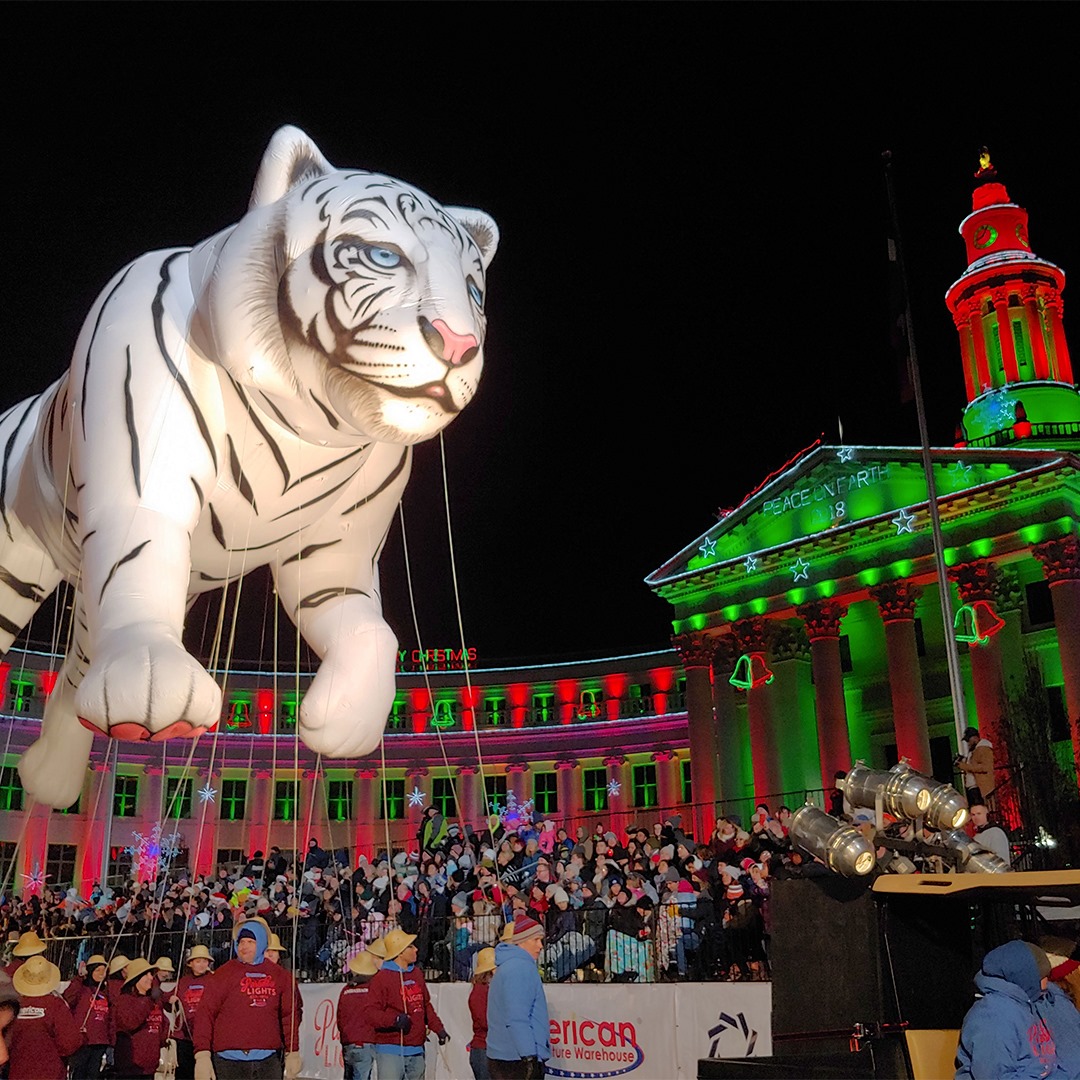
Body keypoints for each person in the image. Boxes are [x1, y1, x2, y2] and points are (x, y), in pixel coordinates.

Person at [193, 921, 302, 1080]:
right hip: (228, 1061)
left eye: (251, 942)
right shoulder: (223, 974)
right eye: (241, 942)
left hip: (267, 1060)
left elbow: (290, 1015)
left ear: (262, 942)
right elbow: (205, 1014)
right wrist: (202, 1055)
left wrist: (292, 1051)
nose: (245, 946)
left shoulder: (281, 976)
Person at [955, 940, 1066, 1079]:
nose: (1047, 982)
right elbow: (995, 1076)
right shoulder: (994, 1017)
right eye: (1043, 976)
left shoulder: (1026, 1004)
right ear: (1026, 977)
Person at [368, 927, 448, 1080]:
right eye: (410, 946)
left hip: (417, 1050)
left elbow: (425, 1005)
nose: (416, 949)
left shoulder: (417, 973)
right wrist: (394, 1020)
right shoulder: (381, 978)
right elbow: (371, 1013)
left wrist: (439, 1029)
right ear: (400, 952)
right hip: (390, 1051)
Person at [487, 916, 551, 1080]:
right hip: (516, 1058)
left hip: (506, 1054)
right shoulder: (520, 968)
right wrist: (529, 1057)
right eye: (536, 940)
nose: (540, 946)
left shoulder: (508, 965)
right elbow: (517, 1018)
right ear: (521, 941)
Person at [6, 954, 84, 1080]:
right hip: (50, 1072)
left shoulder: (12, 1006)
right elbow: (69, 1044)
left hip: (18, 1073)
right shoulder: (55, 1005)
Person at [114, 958, 168, 1080]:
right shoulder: (124, 1000)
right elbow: (129, 1023)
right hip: (131, 1068)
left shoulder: (153, 1001)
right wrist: (147, 1002)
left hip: (149, 1066)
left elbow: (162, 1024)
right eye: (146, 974)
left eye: (151, 974)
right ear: (136, 978)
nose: (151, 978)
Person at [63, 953, 114, 1080]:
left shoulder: (105, 991)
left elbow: (111, 1016)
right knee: (79, 1073)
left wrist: (111, 1039)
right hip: (83, 1040)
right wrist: (79, 978)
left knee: (93, 1074)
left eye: (104, 970)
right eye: (98, 970)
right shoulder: (81, 988)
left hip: (100, 1041)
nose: (101, 973)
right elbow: (68, 998)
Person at [173, 945, 213, 1080]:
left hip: (208, 1036)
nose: (202, 965)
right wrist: (171, 999)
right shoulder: (183, 982)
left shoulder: (214, 980)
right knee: (185, 1073)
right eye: (198, 961)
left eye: (204, 961)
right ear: (190, 963)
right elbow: (170, 998)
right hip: (185, 1037)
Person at [336, 952, 379, 1080]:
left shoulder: (346, 990)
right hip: (365, 1041)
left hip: (348, 1042)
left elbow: (340, 1017)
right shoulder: (373, 990)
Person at [468, 947, 496, 1080]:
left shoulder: (488, 989)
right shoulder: (480, 991)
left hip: (489, 1049)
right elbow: (485, 1021)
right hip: (483, 1050)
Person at [956, 726, 995, 808]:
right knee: (975, 811)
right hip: (972, 787)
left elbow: (985, 767)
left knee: (980, 810)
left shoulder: (983, 749)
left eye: (968, 740)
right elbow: (974, 763)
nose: (968, 743)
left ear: (974, 737)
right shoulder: (974, 750)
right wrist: (963, 760)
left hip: (978, 787)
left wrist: (965, 766)